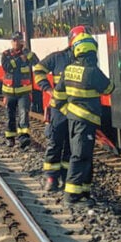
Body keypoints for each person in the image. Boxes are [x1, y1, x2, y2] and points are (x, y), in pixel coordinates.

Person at [55, 32, 113, 207]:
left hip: (73, 119)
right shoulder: (92, 72)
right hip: (86, 121)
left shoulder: (69, 69)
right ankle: (71, 196)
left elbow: (57, 96)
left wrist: (69, 112)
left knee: (84, 156)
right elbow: (109, 88)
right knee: (80, 156)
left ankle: (84, 193)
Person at [32, 25, 88, 192]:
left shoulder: (86, 60)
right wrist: (47, 89)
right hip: (59, 109)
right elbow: (39, 69)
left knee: (72, 147)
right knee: (55, 143)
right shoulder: (58, 58)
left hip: (76, 110)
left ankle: (65, 176)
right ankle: (51, 177)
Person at [0, 31, 39, 148]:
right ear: (11, 42)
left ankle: (23, 138)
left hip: (24, 92)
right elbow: (6, 66)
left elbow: (36, 61)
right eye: (14, 40)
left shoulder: (27, 53)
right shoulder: (6, 54)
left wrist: (28, 53)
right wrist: (19, 60)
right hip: (9, 92)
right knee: (9, 116)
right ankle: (10, 138)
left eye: (18, 40)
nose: (16, 43)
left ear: (22, 41)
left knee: (23, 115)